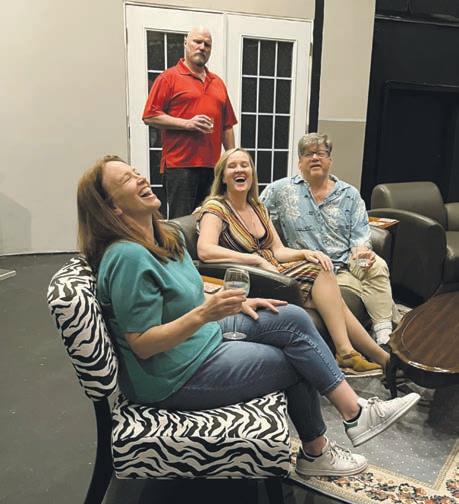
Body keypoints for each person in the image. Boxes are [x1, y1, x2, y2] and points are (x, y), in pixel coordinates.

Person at [76, 155, 420, 478]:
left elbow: (185, 293)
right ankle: (318, 451)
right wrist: (204, 314)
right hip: (173, 375)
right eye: (126, 179)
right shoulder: (128, 257)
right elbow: (143, 344)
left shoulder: (165, 236)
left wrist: (232, 302)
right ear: (113, 207)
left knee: (292, 317)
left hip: (199, 338)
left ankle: (356, 414)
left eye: (135, 171)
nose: (140, 177)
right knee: (296, 361)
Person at [197, 148, 389, 374]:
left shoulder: (257, 207)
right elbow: (205, 250)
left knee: (328, 287)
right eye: (232, 166)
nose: (239, 170)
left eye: (244, 165)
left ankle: (373, 357)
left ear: (252, 173)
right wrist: (254, 260)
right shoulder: (216, 208)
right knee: (322, 276)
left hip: (276, 270)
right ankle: (357, 354)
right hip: (251, 278)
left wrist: (305, 253)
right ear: (222, 176)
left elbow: (278, 250)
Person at [260, 132, 396, 347]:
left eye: (321, 153)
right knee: (362, 289)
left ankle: (384, 336)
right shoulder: (280, 190)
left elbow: (360, 237)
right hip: (312, 266)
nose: (315, 158)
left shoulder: (349, 194)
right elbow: (254, 211)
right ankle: (385, 324)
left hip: (348, 261)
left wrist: (362, 252)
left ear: (330, 160)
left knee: (377, 265)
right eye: (308, 154)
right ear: (300, 162)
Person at [142, 26, 237, 219]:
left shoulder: (217, 82)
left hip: (212, 168)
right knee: (182, 223)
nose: (202, 47)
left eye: (207, 44)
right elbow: (149, 115)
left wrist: (232, 159)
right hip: (180, 167)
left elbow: (227, 126)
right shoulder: (168, 78)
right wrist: (187, 124)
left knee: (211, 219)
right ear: (186, 43)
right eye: (197, 42)